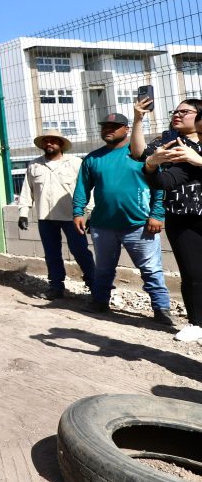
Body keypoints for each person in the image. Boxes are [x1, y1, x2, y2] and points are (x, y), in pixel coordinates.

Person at [72, 113, 174, 325]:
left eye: (114, 126)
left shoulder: (142, 155)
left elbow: (159, 186)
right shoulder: (92, 158)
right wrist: (78, 211)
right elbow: (82, 187)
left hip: (139, 224)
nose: (108, 130)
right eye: (105, 126)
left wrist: (156, 214)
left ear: (127, 129)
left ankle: (161, 309)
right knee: (103, 268)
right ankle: (100, 301)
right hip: (103, 225)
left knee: (151, 269)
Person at [143, 107, 202, 342]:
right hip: (185, 220)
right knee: (193, 273)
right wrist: (151, 165)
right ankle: (197, 322)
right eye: (199, 133)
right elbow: (165, 181)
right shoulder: (187, 154)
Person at [16, 130, 96, 299]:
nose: (49, 143)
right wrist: (23, 213)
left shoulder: (75, 163)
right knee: (52, 254)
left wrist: (90, 213)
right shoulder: (34, 165)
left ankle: (95, 285)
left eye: (53, 141)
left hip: (72, 217)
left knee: (80, 251)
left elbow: (87, 189)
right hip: (45, 218)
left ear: (61, 144)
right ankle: (56, 287)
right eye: (46, 141)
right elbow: (27, 191)